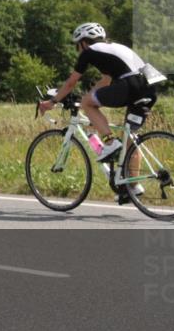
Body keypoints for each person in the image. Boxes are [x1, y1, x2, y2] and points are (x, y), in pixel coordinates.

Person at [38, 22, 157, 203]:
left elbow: (71, 83)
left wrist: (52, 101)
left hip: (129, 85)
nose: (78, 50)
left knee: (88, 104)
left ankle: (109, 142)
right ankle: (132, 186)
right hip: (148, 88)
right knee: (130, 138)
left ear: (83, 42)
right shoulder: (113, 48)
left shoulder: (90, 51)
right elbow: (107, 80)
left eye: (77, 46)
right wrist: (89, 96)